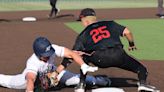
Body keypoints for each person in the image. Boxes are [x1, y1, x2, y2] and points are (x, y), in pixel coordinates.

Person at [70, 8, 159, 92]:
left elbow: (72, 54)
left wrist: (59, 69)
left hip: (99, 59)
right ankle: (142, 83)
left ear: (85, 20)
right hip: (118, 55)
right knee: (141, 68)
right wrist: (131, 44)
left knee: (84, 56)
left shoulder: (83, 34)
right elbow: (127, 32)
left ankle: (81, 84)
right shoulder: (110, 23)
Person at [0, 36, 107, 92]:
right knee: (5, 80)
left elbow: (71, 54)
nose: (48, 55)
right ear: (38, 54)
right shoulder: (33, 62)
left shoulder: (53, 48)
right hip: (28, 80)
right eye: (45, 54)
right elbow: (30, 80)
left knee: (77, 79)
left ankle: (98, 80)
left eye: (49, 53)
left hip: (52, 71)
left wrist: (83, 65)